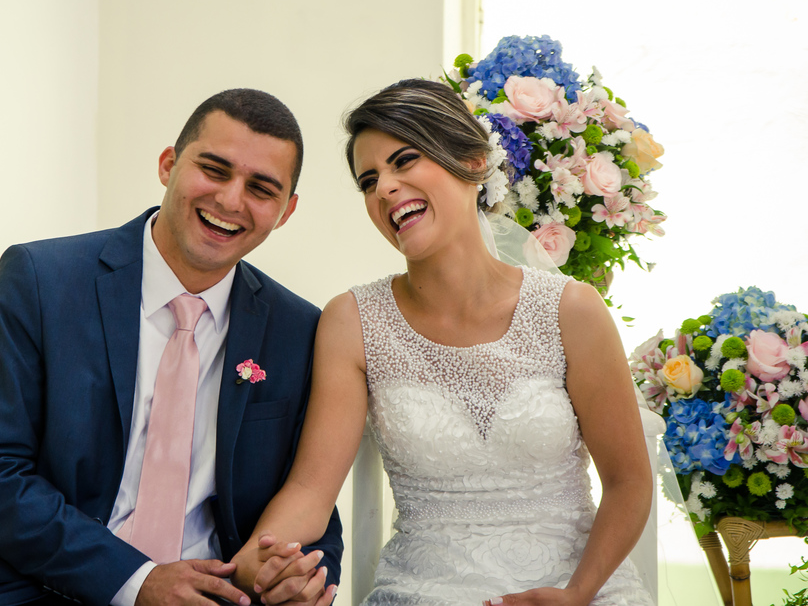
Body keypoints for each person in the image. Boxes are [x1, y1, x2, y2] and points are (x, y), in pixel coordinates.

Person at [235, 79, 655, 606]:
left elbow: (629, 481)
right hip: (423, 590)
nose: (384, 188)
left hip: (577, 589)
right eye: (369, 180)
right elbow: (309, 490)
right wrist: (262, 554)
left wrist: (577, 593)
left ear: (475, 163)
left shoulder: (571, 309)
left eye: (404, 161)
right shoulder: (352, 321)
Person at [0, 89, 342, 606]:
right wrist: (136, 580)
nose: (231, 200)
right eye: (214, 170)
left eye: (261, 188)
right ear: (169, 164)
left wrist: (300, 578)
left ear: (286, 211)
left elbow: (312, 502)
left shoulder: (299, 330)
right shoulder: (41, 282)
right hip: (36, 587)